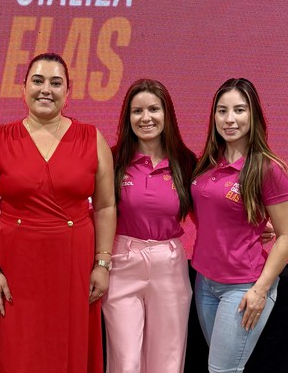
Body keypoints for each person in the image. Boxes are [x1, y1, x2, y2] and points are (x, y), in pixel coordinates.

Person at [0, 52, 116, 373]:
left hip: (74, 265)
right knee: (18, 351)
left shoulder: (92, 138)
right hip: (15, 268)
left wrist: (102, 263)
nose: (46, 90)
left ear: (68, 91)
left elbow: (106, 206)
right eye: (37, 81)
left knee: (67, 347)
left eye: (56, 83)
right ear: (23, 88)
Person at [191, 78, 288, 373]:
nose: (230, 119)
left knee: (222, 370)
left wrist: (260, 291)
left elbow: (287, 236)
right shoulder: (207, 163)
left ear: (253, 115)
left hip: (243, 287)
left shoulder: (268, 169)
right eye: (222, 111)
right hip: (205, 283)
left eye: (239, 110)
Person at [103, 79, 196, 373]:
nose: (146, 118)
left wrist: (252, 226)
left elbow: (209, 213)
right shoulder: (112, 159)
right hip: (122, 262)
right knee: (126, 362)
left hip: (169, 264)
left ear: (167, 114)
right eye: (137, 111)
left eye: (154, 109)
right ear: (127, 118)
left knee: (167, 362)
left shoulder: (185, 162)